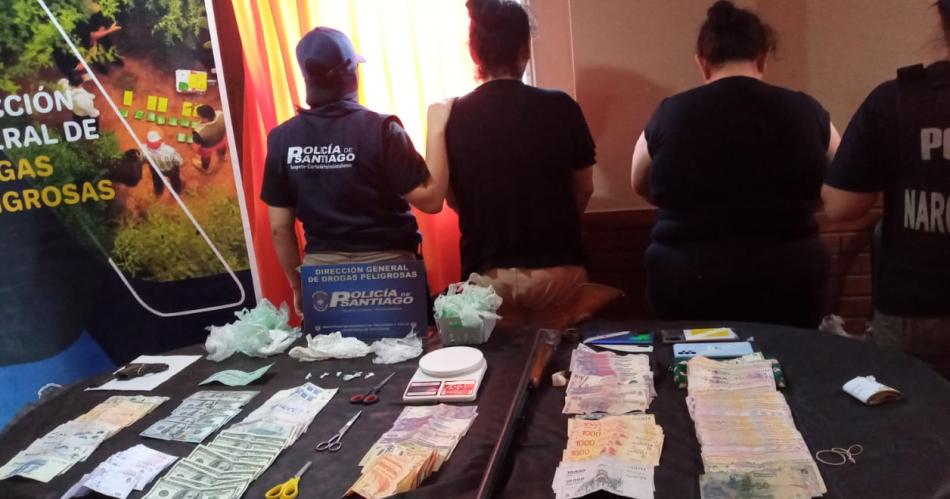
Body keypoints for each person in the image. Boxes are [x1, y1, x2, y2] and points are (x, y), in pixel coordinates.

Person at [631, 0, 840, 329]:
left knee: (692, 360)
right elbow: (840, 181)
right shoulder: (807, 110)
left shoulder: (669, 113)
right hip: (789, 281)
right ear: (763, 57)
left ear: (702, 62)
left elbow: (639, 182)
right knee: (788, 360)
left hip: (686, 280)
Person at [443, 0, 621, 329]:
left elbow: (453, 197)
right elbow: (584, 188)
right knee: (558, 358)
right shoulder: (561, 107)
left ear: (474, 52)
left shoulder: (452, 116)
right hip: (558, 268)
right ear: (525, 49)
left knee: (502, 362)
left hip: (486, 277)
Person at [261, 27, 451, 316]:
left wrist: (298, 286)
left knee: (331, 348)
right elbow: (431, 199)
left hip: (323, 279)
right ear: (352, 74)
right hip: (390, 274)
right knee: (405, 346)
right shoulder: (382, 129)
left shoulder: (281, 139)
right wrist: (437, 127)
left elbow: (279, 229)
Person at [822, 1, 950, 377]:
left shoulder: (895, 99)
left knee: (913, 409)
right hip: (912, 309)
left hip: (914, 309)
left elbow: (839, 206)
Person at [144, 130, 183, 197]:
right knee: (175, 180)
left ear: (147, 142)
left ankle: (158, 191)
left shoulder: (144, 150)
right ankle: (176, 191)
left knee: (157, 180)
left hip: (155, 170)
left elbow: (143, 160)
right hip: (170, 170)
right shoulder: (169, 151)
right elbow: (180, 162)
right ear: (160, 141)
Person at [192, 105, 228, 172]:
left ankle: (205, 169)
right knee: (222, 148)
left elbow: (195, 148)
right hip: (222, 140)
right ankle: (222, 156)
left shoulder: (199, 132)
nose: (198, 116)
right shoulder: (221, 114)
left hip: (208, 148)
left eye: (199, 116)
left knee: (206, 158)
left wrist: (196, 152)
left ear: (205, 119)